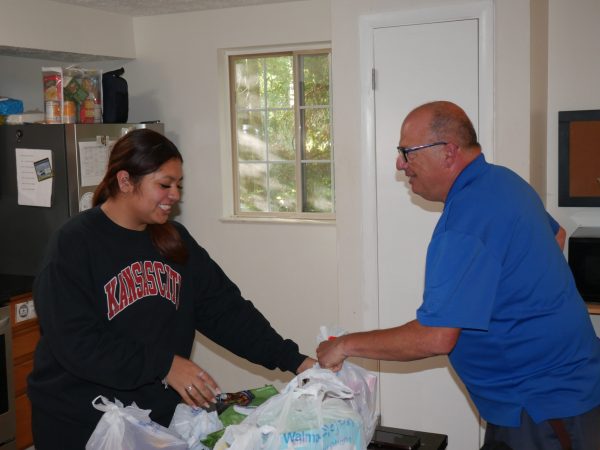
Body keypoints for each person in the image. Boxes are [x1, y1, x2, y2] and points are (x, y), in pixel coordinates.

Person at [316, 101, 600, 450]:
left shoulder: (465, 223)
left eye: (407, 152)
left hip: (542, 409)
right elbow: (555, 237)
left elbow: (435, 337)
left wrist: (344, 345)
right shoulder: (504, 181)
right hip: (559, 395)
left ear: (448, 152)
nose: (400, 164)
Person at [28, 128, 315, 449]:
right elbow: (76, 342)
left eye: (178, 185)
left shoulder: (173, 240)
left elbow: (226, 312)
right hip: (80, 423)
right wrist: (164, 365)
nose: (175, 195)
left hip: (152, 420)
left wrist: (295, 361)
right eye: (164, 184)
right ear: (125, 182)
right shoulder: (74, 244)